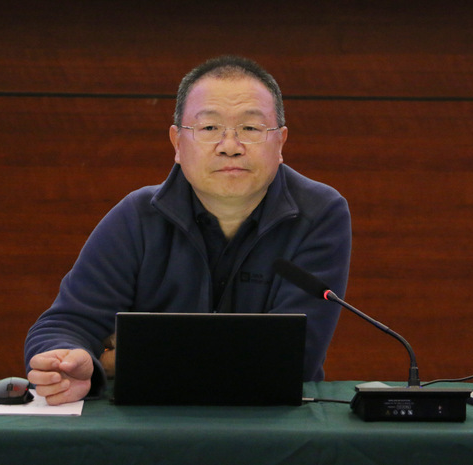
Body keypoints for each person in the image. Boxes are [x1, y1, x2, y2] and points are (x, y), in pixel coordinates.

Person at [25, 55, 352, 405]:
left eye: (251, 129)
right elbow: (62, 326)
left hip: (272, 419)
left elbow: (290, 359)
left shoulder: (319, 213)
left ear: (280, 142)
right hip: (146, 421)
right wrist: (67, 360)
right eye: (209, 128)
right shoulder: (137, 216)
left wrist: (118, 361)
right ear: (178, 144)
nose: (230, 147)